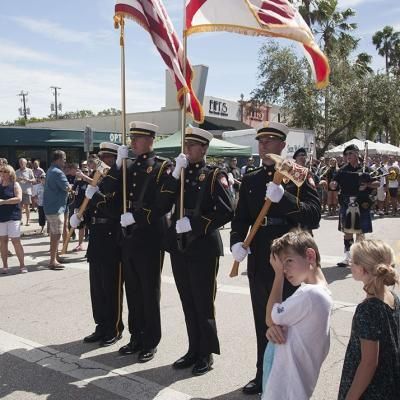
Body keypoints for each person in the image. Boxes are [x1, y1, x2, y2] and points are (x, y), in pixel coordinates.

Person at [230, 121, 321, 395]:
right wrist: (237, 242)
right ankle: (263, 372)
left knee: (290, 320)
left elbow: (314, 214)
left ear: (283, 145)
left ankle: (290, 375)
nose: (264, 146)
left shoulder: (299, 175)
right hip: (260, 255)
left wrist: (284, 199)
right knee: (264, 318)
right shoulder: (252, 178)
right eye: (261, 141)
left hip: (291, 259)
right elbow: (241, 217)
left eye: (270, 141)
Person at [158, 126, 234, 375]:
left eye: (192, 145)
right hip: (179, 246)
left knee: (203, 302)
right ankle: (193, 349)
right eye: (186, 145)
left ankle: (206, 353)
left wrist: (195, 224)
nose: (187, 149)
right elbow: (163, 203)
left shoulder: (214, 175)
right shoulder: (178, 172)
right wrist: (174, 174)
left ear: (203, 149)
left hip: (202, 247)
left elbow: (226, 209)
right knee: (187, 301)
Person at [112, 121, 172, 362]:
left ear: (150, 140)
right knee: (133, 290)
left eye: (137, 139)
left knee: (149, 291)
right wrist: (117, 166)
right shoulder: (127, 166)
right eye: (132, 138)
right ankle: (135, 336)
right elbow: (113, 190)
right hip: (129, 236)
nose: (133, 143)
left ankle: (150, 340)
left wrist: (136, 217)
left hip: (149, 236)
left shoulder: (161, 167)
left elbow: (161, 205)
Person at [262, 230, 332, 399]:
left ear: (309, 255)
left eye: (289, 261)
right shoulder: (319, 292)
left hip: (285, 387)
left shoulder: (309, 294)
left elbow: (270, 318)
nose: (285, 269)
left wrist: (277, 276)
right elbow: (275, 323)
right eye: (281, 266)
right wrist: (273, 327)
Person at [71, 142, 124, 347]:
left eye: (105, 158)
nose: (101, 162)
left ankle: (114, 328)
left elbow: (114, 207)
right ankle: (101, 325)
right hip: (97, 237)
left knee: (111, 288)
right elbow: (90, 208)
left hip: (112, 237)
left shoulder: (119, 179)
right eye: (100, 158)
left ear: (112, 159)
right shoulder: (98, 178)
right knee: (97, 287)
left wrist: (96, 196)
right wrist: (79, 219)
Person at [338, 240, 400, 400]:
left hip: (372, 390)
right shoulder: (393, 297)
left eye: (352, 261)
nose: (350, 264)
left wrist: (351, 397)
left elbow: (369, 363)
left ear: (362, 269)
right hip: (390, 381)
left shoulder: (367, 310)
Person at [329, 144, 379, 267]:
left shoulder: (365, 169)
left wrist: (367, 185)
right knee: (347, 231)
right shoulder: (342, 170)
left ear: (357, 154)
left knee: (361, 232)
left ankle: (360, 258)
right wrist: (333, 184)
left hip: (362, 203)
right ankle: (347, 256)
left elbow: (377, 183)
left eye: (350, 153)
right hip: (347, 202)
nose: (348, 156)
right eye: (346, 154)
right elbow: (333, 183)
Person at [43, 150, 70, 270]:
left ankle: (55, 257)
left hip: (50, 206)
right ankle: (53, 260)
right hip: (56, 207)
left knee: (54, 233)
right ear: (58, 159)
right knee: (56, 234)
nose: (65, 162)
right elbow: (66, 187)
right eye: (64, 159)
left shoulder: (50, 170)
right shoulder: (58, 172)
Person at [0, 164, 27, 274]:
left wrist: (4, 202)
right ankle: (5, 265)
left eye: (6, 171)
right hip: (1, 217)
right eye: (2, 171)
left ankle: (22, 265)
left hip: (13, 216)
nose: (3, 173)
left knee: (16, 241)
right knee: (3, 242)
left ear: (11, 173)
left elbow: (19, 198)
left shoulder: (15, 184)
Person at [16, 158, 35, 226]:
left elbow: (34, 180)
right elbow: (14, 180)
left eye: (22, 163)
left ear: (25, 163)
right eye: (20, 162)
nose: (21, 164)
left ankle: (28, 221)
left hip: (27, 191)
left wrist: (28, 180)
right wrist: (17, 179)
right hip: (19, 191)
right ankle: (20, 220)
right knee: (19, 207)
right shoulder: (17, 171)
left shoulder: (29, 171)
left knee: (27, 207)